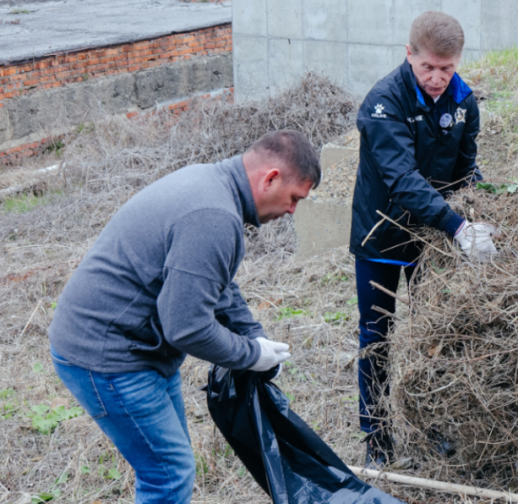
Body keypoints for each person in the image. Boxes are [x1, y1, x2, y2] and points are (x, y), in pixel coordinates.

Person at [48, 130, 320, 503]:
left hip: (135, 347)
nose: (292, 211)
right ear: (270, 178)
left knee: (173, 466)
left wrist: (254, 335)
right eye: (294, 199)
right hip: (106, 355)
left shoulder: (213, 185)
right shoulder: (213, 216)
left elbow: (215, 283)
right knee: (168, 474)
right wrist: (251, 355)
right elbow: (187, 327)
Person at [349, 11, 498, 468]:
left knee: (437, 332)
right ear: (408, 55)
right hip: (382, 236)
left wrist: (480, 214)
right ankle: (377, 436)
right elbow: (402, 180)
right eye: (427, 67)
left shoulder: (464, 102)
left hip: (431, 239)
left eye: (446, 68)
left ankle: (434, 421)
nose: (437, 78)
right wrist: (457, 226)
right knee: (378, 337)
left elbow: (466, 172)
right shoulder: (382, 104)